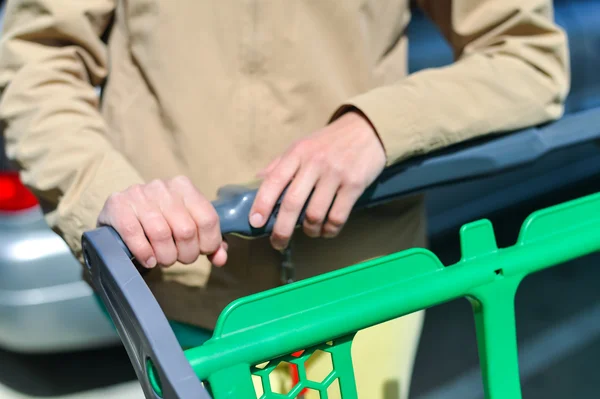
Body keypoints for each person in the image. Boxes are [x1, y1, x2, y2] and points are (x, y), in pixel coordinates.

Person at [0, 0, 568, 397]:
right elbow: (36, 59)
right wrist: (108, 188)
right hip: (178, 295)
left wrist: (376, 127)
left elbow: (528, 57)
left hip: (363, 290)